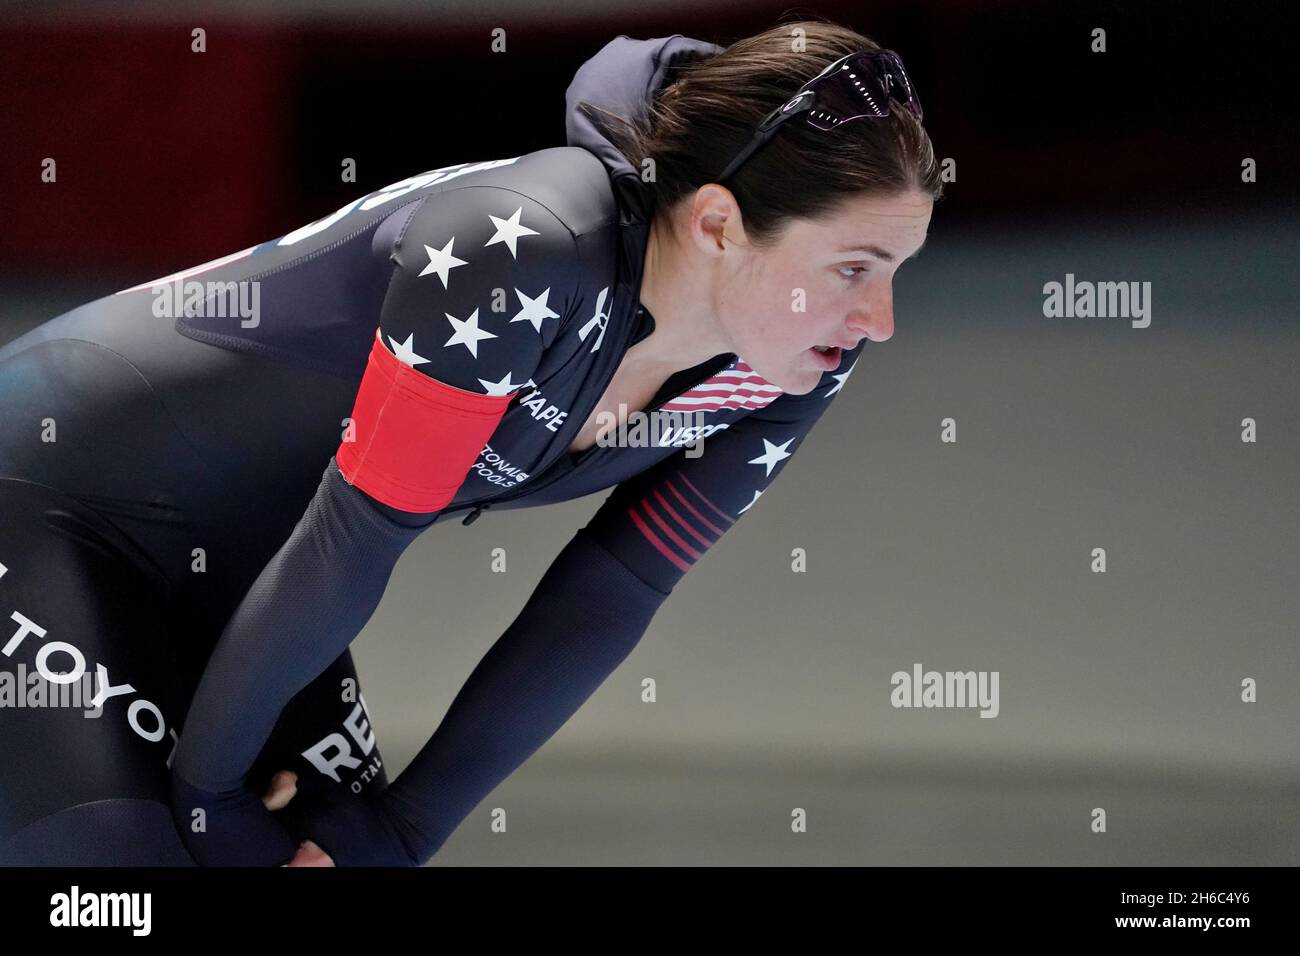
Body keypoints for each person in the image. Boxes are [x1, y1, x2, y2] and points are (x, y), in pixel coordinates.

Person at [0, 19, 941, 866]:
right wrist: (208, 801)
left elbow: (614, 589)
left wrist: (403, 831)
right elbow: (357, 540)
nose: (880, 318)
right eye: (854, 266)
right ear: (719, 223)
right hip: (46, 496)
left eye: (895, 270)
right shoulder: (525, 246)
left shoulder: (792, 355)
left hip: (251, 558)